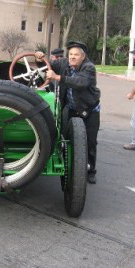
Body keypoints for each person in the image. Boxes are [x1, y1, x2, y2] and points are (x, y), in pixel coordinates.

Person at [35, 41, 101, 184]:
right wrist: (39, 59)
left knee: (90, 141)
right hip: (71, 108)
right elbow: (48, 67)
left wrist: (58, 78)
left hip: (89, 110)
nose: (72, 57)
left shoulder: (89, 68)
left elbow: (80, 82)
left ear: (83, 56)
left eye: (75, 55)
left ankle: (90, 170)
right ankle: (71, 166)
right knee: (67, 139)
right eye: (70, 54)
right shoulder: (64, 63)